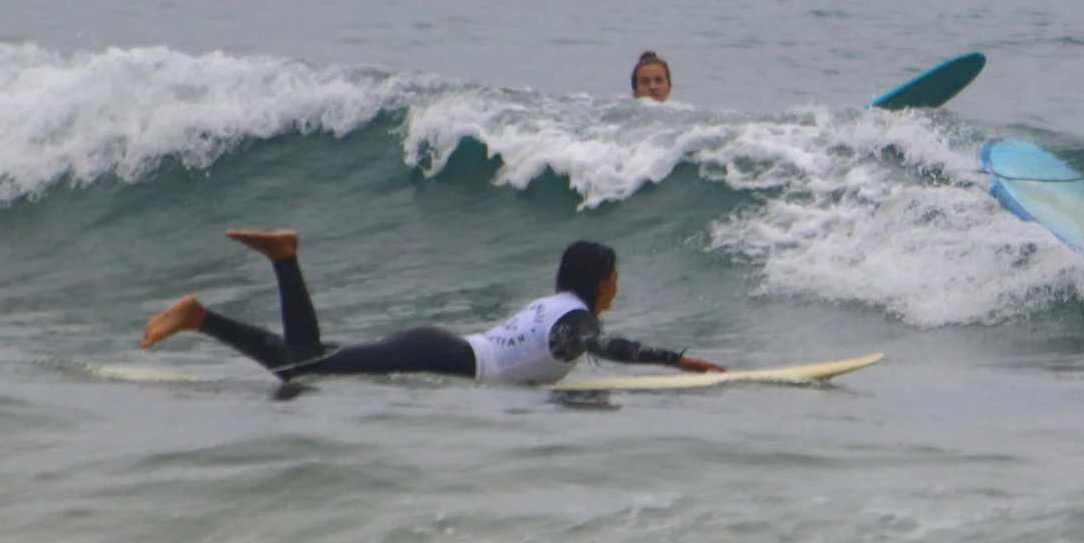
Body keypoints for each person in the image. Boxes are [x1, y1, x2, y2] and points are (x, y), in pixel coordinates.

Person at [139, 231, 725, 382]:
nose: (618, 288)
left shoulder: (556, 304)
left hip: (441, 348)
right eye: (615, 279)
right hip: (448, 359)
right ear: (599, 284)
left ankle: (207, 314)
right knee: (304, 369)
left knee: (307, 366)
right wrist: (677, 361)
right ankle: (279, 263)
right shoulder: (579, 320)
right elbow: (604, 347)